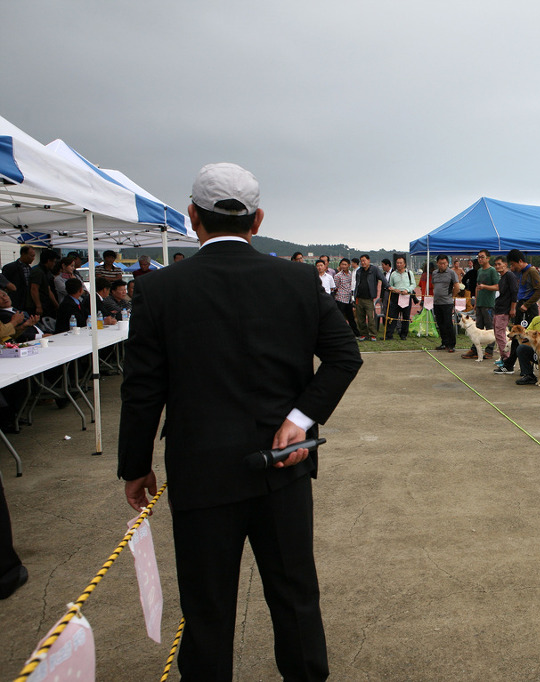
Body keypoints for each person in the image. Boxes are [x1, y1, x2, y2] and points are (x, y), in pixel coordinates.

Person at [118, 163, 362, 681]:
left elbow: (143, 388)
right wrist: (299, 419)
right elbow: (345, 356)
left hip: (202, 470)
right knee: (295, 596)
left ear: (192, 217)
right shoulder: (296, 278)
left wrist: (134, 465)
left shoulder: (159, 289)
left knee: (206, 609)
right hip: (283, 464)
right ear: (257, 220)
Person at [464, 249, 498, 359]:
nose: (480, 259)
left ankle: (489, 350)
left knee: (489, 327)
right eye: (478, 257)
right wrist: (476, 303)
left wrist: (485, 287)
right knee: (477, 327)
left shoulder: (492, 271)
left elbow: (497, 286)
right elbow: (477, 287)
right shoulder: (479, 271)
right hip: (479, 304)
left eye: (482, 257)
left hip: (488, 304)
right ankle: (475, 349)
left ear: (488, 258)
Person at [492, 256, 517, 373]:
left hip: (504, 311)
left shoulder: (510, 276)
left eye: (499, 264)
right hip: (498, 309)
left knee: (501, 336)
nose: (497, 266)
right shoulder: (502, 278)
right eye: (496, 264)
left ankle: (508, 362)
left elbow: (514, 292)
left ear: (505, 264)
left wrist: (512, 308)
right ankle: (504, 359)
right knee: (498, 335)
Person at [431, 255, 460, 352]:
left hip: (447, 302)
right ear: (437, 263)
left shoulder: (451, 273)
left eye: (444, 263)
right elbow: (434, 285)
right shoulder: (434, 273)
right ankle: (444, 343)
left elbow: (457, 286)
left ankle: (451, 345)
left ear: (447, 263)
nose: (442, 265)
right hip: (437, 302)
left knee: (448, 323)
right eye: (440, 263)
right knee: (440, 323)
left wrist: (451, 296)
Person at [353, 254, 385, 341]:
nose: (363, 262)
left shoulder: (374, 270)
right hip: (359, 298)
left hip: (369, 299)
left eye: (364, 260)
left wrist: (388, 287)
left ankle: (373, 334)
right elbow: (357, 283)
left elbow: (382, 278)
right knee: (360, 318)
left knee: (371, 318)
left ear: (368, 260)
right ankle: (363, 334)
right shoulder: (359, 271)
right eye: (361, 261)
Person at [384, 255, 415, 340]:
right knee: (393, 316)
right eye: (397, 263)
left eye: (401, 263)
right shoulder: (393, 274)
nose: (399, 264)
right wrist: (394, 289)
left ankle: (403, 335)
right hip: (395, 296)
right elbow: (390, 285)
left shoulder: (409, 273)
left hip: (406, 296)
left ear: (404, 264)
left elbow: (413, 284)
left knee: (405, 317)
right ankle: (389, 335)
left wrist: (407, 290)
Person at [29, 248, 59, 322]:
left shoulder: (46, 272)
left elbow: (48, 290)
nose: (54, 264)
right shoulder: (38, 271)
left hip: (47, 304)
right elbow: (34, 289)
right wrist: (38, 306)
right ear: (49, 261)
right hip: (39, 305)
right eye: (54, 262)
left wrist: (56, 305)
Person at [333, 258, 359, 336]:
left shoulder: (351, 274)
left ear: (349, 265)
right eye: (342, 264)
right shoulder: (338, 276)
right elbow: (336, 287)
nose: (343, 266)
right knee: (340, 317)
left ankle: (356, 333)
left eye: (345, 264)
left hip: (349, 299)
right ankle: (339, 333)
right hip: (340, 298)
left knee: (351, 317)